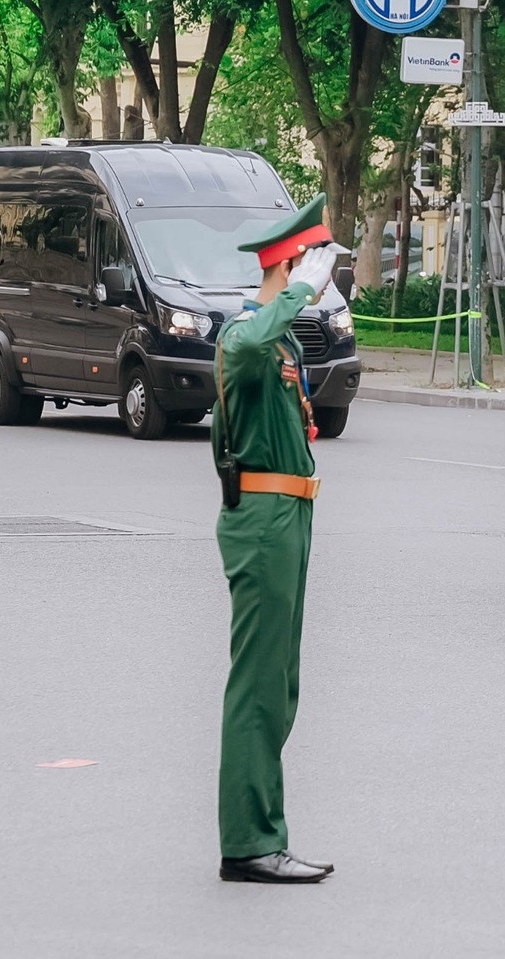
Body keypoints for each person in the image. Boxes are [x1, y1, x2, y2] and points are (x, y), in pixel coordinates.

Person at [212, 194, 344, 885]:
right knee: (259, 688)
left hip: (288, 518)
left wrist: (298, 300)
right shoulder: (246, 334)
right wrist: (297, 289)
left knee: (280, 686)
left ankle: (263, 832)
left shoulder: (280, 339)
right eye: (317, 265)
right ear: (291, 263)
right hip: (263, 522)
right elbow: (248, 343)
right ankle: (249, 841)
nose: (327, 283)